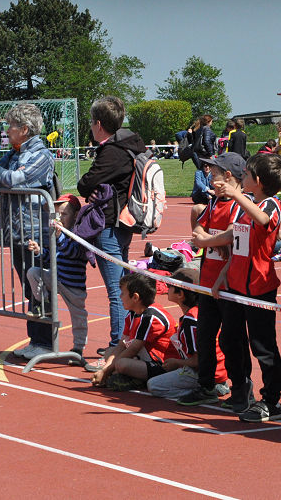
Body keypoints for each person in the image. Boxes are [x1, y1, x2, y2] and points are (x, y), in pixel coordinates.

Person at [192, 152, 281, 421]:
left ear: (258, 180)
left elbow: (263, 220)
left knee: (263, 347)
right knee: (230, 339)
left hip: (259, 287)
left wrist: (235, 195)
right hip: (234, 286)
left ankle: (271, 400)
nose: (242, 178)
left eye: (246, 175)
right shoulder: (248, 206)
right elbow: (236, 245)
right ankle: (241, 391)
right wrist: (222, 276)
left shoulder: (270, 205)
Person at [0, 103, 55, 359]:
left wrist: (1, 173)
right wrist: (3, 173)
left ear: (24, 129)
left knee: (39, 288)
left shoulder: (41, 155)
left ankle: (44, 342)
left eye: (11, 125)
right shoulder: (12, 154)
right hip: (15, 231)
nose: (7, 130)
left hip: (35, 232)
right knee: (28, 288)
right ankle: (36, 339)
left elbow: (15, 181)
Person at [178, 152, 245, 407]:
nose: (210, 178)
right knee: (204, 335)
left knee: (231, 339)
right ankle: (206, 385)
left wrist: (208, 240)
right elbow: (199, 228)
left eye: (214, 174)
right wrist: (205, 238)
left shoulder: (240, 205)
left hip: (227, 286)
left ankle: (241, 389)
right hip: (207, 283)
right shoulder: (214, 202)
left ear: (228, 176)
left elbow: (232, 236)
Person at [76, 96, 143, 352]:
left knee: (118, 291)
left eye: (91, 122)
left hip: (110, 225)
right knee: (124, 288)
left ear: (99, 124)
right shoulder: (128, 145)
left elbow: (86, 183)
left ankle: (117, 346)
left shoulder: (112, 151)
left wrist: (90, 188)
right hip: (122, 223)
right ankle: (126, 343)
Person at [148, 268, 231, 400]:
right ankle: (216, 384)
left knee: (154, 385)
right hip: (218, 370)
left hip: (205, 372)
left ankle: (207, 389)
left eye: (170, 286)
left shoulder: (191, 320)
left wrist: (176, 363)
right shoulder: (201, 312)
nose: (167, 289)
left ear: (180, 294)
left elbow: (198, 360)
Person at [25, 194, 89, 362]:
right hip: (56, 278)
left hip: (73, 285)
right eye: (57, 214)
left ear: (75, 215)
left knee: (79, 317)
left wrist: (60, 236)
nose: (59, 218)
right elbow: (53, 257)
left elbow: (73, 252)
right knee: (33, 272)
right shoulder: (56, 234)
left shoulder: (78, 233)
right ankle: (45, 304)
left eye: (64, 214)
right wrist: (40, 251)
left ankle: (78, 348)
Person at [88, 272, 175, 391]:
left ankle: (138, 380)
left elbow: (134, 348)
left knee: (121, 364)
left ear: (135, 297)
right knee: (110, 352)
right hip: (143, 357)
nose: (120, 297)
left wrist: (106, 371)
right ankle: (127, 374)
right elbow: (122, 344)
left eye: (123, 293)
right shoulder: (132, 314)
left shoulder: (151, 317)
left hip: (161, 365)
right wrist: (105, 370)